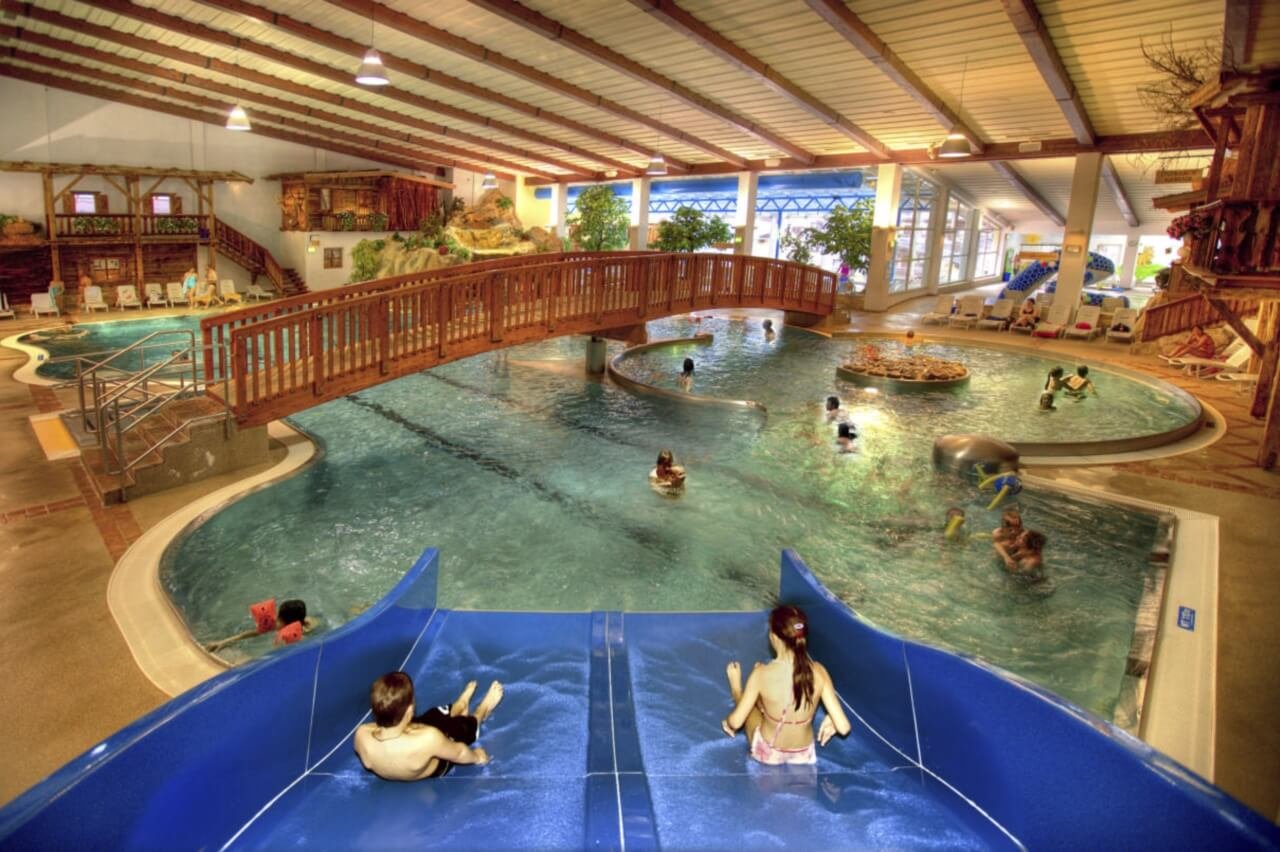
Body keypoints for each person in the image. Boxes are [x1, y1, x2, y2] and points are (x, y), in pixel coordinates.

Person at [721, 605, 852, 765]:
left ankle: (738, 690)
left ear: (774, 637)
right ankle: (760, 701)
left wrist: (731, 713)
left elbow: (735, 722)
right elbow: (844, 728)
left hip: (767, 753)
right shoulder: (819, 672)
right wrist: (831, 716)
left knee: (748, 706)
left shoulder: (761, 674)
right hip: (804, 754)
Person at [354, 672, 503, 781]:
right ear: (409, 711)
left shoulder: (361, 734)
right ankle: (482, 711)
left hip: (410, 744)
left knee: (432, 715)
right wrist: (477, 757)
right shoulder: (428, 738)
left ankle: (459, 706)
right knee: (461, 727)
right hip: (438, 764)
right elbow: (459, 753)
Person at [205, 597, 314, 653]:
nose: (276, 623)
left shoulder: (305, 632)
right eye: (278, 618)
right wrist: (223, 642)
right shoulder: (279, 623)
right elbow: (252, 633)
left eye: (280, 621)